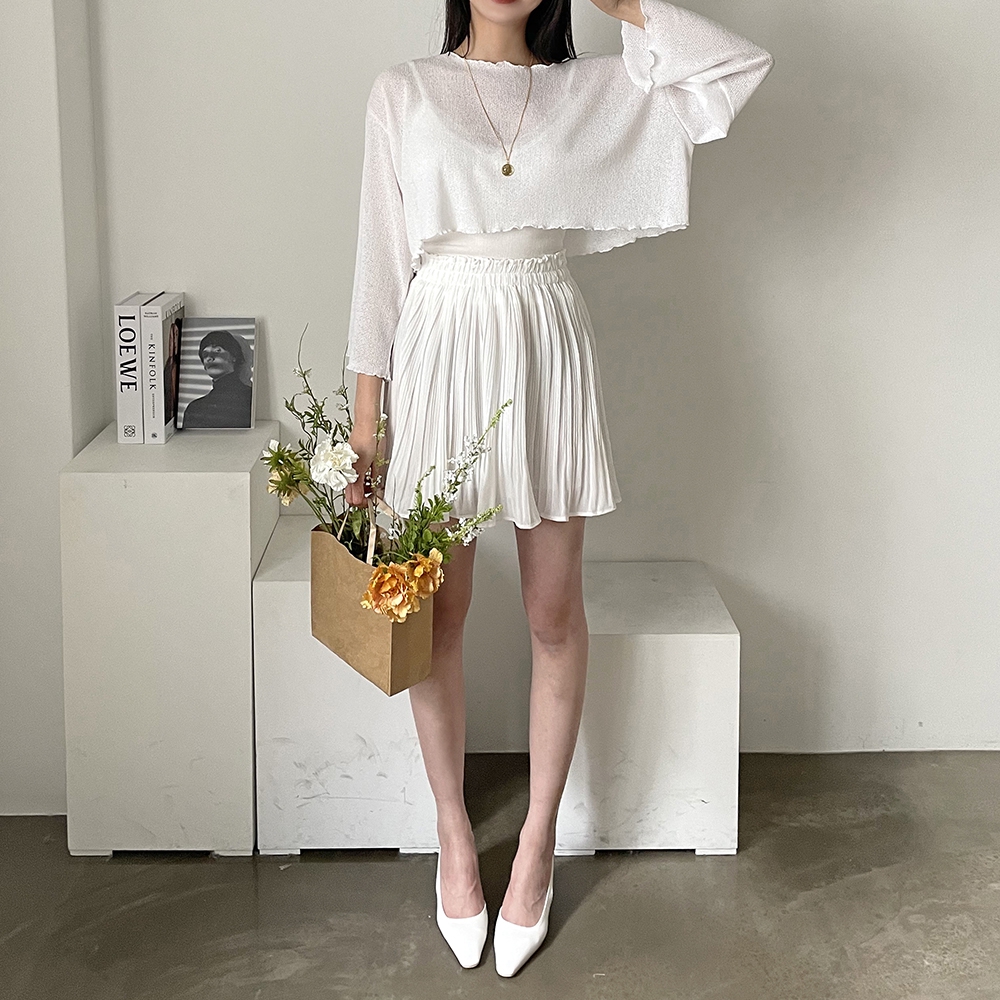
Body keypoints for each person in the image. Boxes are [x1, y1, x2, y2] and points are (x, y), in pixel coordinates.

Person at [343, 0, 774, 976]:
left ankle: (535, 845)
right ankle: (454, 836)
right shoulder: (404, 91)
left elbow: (731, 71)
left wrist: (623, 5)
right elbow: (377, 263)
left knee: (551, 609)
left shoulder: (590, 90)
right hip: (439, 342)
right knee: (436, 613)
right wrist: (367, 426)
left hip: (544, 339)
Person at [181, 330, 253, 428]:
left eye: (217, 351)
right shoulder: (195, 408)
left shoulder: (250, 397)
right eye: (205, 355)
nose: (209, 358)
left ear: (234, 356)